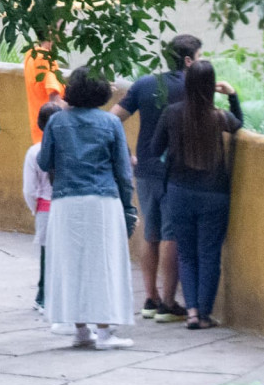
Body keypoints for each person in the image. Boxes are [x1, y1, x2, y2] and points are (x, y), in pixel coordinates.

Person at [36, 65, 137, 350]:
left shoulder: (57, 122)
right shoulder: (110, 123)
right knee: (103, 264)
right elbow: (122, 170)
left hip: (66, 201)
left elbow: (44, 162)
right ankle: (105, 331)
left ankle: (80, 329)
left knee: (71, 263)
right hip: (102, 201)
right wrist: (128, 207)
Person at [111, 33, 202, 320]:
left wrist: (126, 154)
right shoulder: (194, 87)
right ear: (188, 60)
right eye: (199, 58)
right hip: (179, 171)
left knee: (150, 232)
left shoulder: (145, 84)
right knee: (171, 235)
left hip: (146, 168)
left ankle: (149, 298)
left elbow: (112, 119)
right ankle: (168, 302)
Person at [149, 59, 244, 329]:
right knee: (209, 254)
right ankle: (203, 314)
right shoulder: (219, 117)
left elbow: (155, 150)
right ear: (211, 86)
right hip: (215, 195)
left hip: (179, 192)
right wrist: (233, 96)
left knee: (186, 254)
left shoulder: (171, 113)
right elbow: (239, 125)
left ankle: (190, 311)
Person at [22, 98, 66, 315]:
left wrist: (35, 208)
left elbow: (29, 189)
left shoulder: (34, 152)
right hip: (66, 205)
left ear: (39, 124)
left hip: (45, 208)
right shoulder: (68, 148)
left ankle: (43, 297)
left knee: (46, 254)